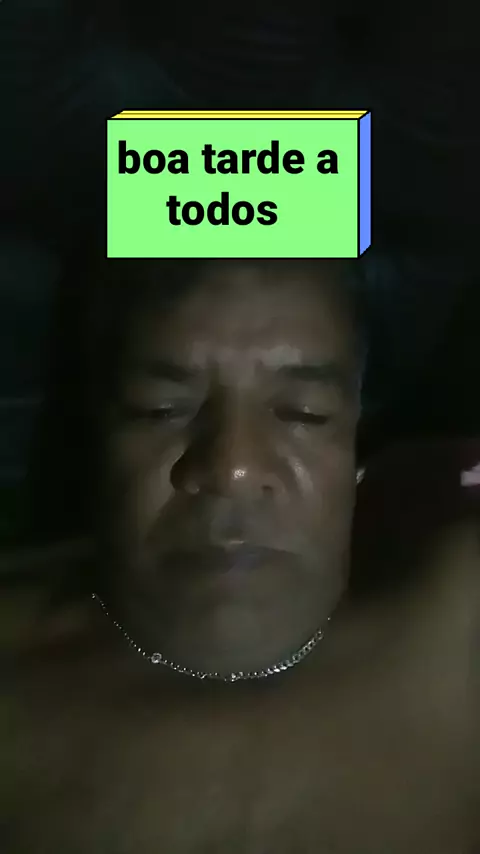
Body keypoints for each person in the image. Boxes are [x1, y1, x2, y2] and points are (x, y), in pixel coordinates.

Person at [1, 258, 477, 853]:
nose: (233, 468)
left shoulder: (456, 631)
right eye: (159, 409)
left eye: (304, 412)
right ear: (98, 436)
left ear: (355, 438)